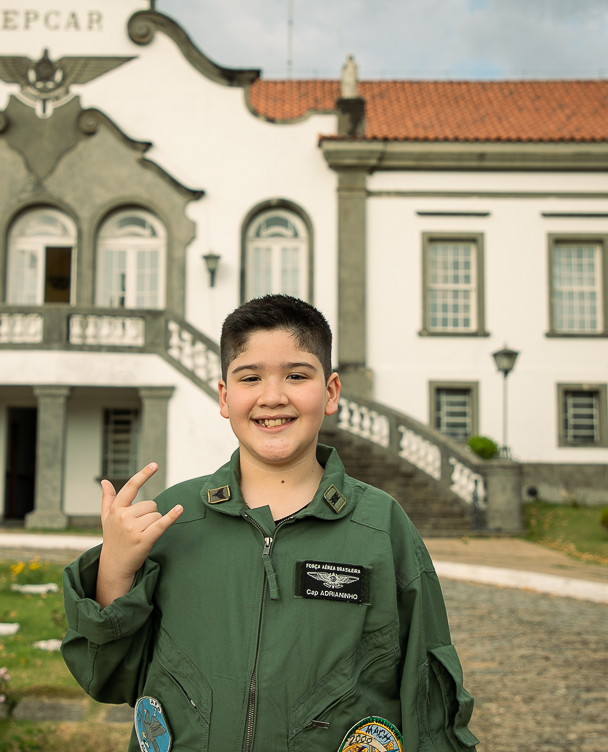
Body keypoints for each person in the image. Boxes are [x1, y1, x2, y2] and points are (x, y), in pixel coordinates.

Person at [63, 294, 478, 751]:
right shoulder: (173, 519)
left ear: (332, 391)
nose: (273, 396)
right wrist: (115, 570)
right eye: (250, 377)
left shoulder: (381, 527)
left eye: (297, 375)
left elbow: (429, 699)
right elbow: (108, 679)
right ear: (224, 396)